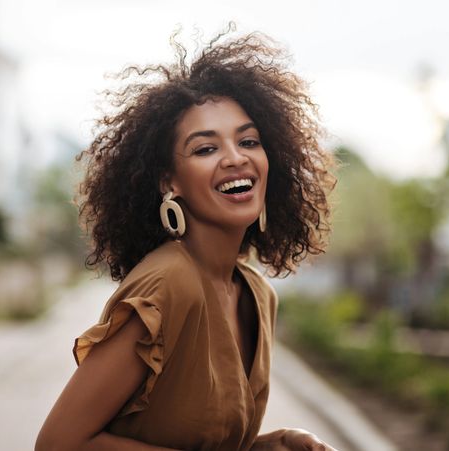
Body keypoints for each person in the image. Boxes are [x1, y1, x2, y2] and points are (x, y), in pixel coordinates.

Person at [35, 27, 338, 451]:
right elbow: (58, 444)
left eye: (248, 140)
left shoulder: (257, 294)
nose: (235, 158)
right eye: (204, 149)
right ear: (169, 182)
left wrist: (271, 444)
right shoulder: (168, 284)